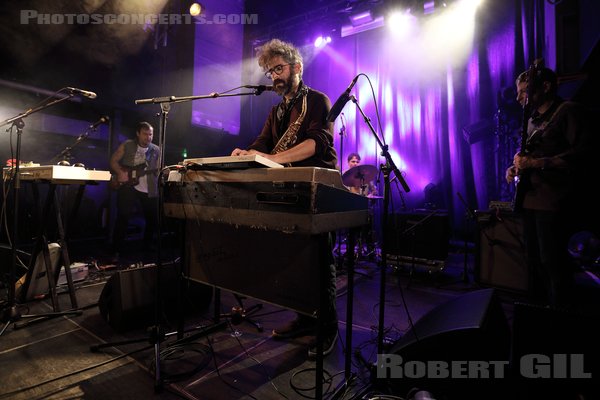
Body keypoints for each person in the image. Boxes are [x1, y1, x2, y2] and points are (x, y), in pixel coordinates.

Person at [230, 38, 338, 357]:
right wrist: (245, 154)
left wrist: (275, 159)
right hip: (289, 189)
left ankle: (328, 328)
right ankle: (305, 319)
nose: (274, 76)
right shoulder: (277, 111)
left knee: (320, 262)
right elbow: (263, 143)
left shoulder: (319, 100)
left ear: (297, 68)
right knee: (295, 260)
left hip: (318, 187)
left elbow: (317, 143)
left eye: (278, 68)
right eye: (269, 71)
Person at [505, 65, 594, 309]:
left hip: (554, 202)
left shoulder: (569, 112)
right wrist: (515, 168)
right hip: (530, 200)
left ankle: (561, 316)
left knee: (553, 262)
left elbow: (584, 156)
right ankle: (540, 314)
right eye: (518, 92)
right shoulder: (533, 121)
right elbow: (532, 156)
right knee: (533, 261)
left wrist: (536, 162)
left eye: (525, 91)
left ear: (546, 87)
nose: (519, 98)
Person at [110, 121, 160, 260]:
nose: (148, 137)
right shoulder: (127, 145)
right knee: (123, 217)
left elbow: (158, 168)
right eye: (145, 134)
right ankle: (116, 250)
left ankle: (147, 246)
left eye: (150, 134)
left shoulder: (156, 150)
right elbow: (113, 160)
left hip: (148, 188)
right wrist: (120, 172)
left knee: (152, 219)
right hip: (129, 186)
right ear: (138, 134)